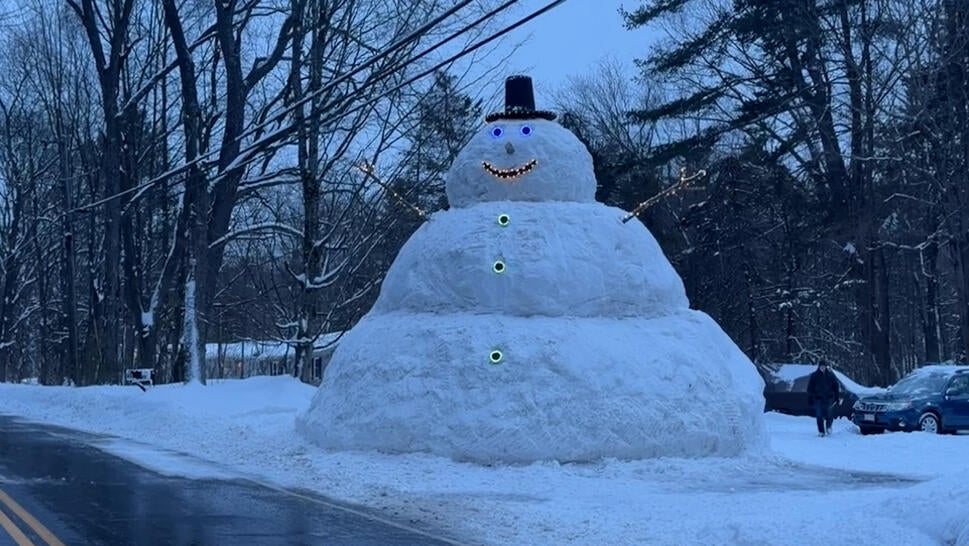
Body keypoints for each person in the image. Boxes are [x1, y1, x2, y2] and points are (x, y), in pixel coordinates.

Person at [806, 360, 841, 436]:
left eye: (824, 366)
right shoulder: (814, 376)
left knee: (829, 414)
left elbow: (836, 386)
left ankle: (828, 426)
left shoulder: (830, 375)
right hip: (818, 398)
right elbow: (810, 388)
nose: (822, 368)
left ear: (826, 367)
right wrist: (810, 398)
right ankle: (821, 431)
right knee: (819, 415)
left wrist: (837, 397)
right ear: (819, 367)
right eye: (821, 366)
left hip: (829, 398)